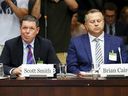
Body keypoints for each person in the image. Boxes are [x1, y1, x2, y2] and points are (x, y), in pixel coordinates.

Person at [66, 9, 128, 76]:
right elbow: (71, 66)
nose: (96, 24)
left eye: (99, 21)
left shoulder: (117, 42)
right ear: (85, 25)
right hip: (86, 81)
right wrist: (79, 74)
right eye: (92, 22)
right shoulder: (76, 42)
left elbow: (125, 64)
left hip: (111, 80)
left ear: (103, 22)